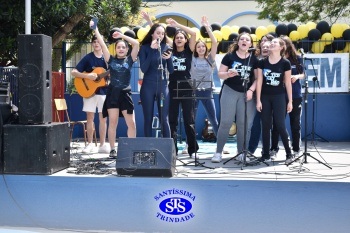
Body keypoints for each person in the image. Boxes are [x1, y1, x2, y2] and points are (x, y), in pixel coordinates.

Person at [90, 19, 139, 158]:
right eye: (119, 47)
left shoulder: (130, 59)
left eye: (123, 47)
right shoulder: (110, 60)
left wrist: (121, 36)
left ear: (127, 49)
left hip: (126, 93)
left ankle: (131, 148)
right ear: (115, 49)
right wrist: (95, 29)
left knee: (132, 123)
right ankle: (112, 149)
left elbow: (136, 43)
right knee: (113, 122)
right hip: (113, 94)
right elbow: (103, 45)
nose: (121, 49)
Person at [211, 32, 259, 163]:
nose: (244, 41)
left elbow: (257, 78)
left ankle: (241, 152)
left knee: (244, 124)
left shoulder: (253, 59)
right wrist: (228, 74)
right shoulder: (230, 56)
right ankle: (218, 152)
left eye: (247, 40)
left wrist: (251, 90)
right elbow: (220, 74)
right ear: (238, 42)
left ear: (250, 44)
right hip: (230, 90)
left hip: (246, 93)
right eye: (242, 39)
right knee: (226, 122)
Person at [256, 37, 293, 164]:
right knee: (265, 125)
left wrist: (290, 101)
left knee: (280, 125)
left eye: (274, 43)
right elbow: (259, 81)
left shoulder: (285, 63)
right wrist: (258, 100)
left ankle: (289, 153)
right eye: (271, 43)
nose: (271, 44)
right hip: (265, 97)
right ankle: (265, 154)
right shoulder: (262, 62)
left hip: (279, 96)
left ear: (281, 47)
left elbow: (288, 83)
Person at [71, 35, 109, 154]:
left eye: (99, 41)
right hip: (89, 92)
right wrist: (88, 76)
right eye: (94, 42)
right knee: (90, 118)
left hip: (104, 92)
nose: (97, 43)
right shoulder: (88, 58)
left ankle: (102, 145)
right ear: (92, 44)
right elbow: (74, 72)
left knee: (103, 119)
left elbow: (111, 74)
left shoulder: (107, 59)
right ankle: (90, 144)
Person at [166, 18, 198, 157]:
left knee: (188, 120)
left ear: (185, 40)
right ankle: (173, 149)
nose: (179, 39)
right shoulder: (171, 50)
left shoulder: (189, 51)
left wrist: (177, 25)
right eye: (177, 37)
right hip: (172, 87)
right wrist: (149, 21)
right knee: (172, 120)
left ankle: (192, 149)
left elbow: (194, 34)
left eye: (181, 37)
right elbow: (160, 35)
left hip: (187, 87)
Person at [269, 35, 304, 160]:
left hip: (295, 95)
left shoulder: (297, 58)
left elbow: (303, 74)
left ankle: (296, 150)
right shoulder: (278, 59)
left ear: (287, 44)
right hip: (280, 95)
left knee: (295, 124)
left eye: (282, 43)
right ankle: (273, 149)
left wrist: (297, 77)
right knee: (277, 123)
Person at [138, 23, 174, 138]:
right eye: (158, 33)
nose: (161, 35)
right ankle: (148, 147)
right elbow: (143, 68)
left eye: (163, 33)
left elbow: (171, 70)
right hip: (148, 85)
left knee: (164, 118)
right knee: (148, 118)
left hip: (162, 85)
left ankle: (168, 148)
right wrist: (152, 51)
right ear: (152, 34)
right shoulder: (144, 48)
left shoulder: (166, 47)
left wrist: (169, 59)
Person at [190, 16, 219, 138]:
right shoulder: (192, 58)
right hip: (194, 91)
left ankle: (220, 145)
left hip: (207, 91)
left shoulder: (209, 59)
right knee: (191, 120)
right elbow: (191, 41)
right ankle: (189, 145)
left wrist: (207, 27)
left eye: (203, 46)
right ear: (196, 49)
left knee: (213, 119)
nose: (201, 48)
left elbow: (215, 43)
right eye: (198, 47)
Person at [248, 34, 275, 154]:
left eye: (267, 42)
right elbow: (255, 78)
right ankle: (251, 149)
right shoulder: (255, 59)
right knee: (255, 124)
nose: (264, 45)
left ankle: (268, 150)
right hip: (256, 97)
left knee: (269, 125)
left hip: (271, 96)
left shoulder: (276, 60)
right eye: (262, 42)